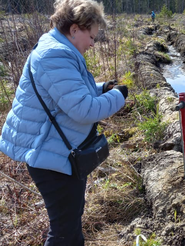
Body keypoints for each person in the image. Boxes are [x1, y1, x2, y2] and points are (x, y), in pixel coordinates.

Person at [0, 0, 128, 245]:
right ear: (74, 29)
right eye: (91, 36)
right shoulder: (55, 55)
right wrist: (118, 96)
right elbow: (83, 109)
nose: (92, 43)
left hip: (59, 153)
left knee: (70, 224)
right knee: (64, 233)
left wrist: (102, 88)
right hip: (52, 157)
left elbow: (68, 92)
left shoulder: (59, 48)